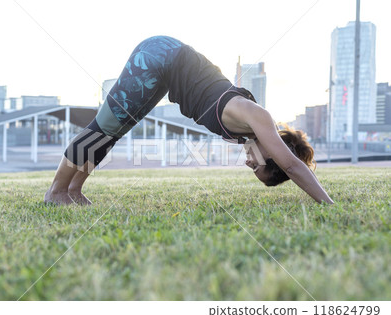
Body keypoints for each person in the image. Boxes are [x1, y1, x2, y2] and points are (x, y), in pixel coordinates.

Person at [44, 36, 334, 205]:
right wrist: (328, 204)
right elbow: (293, 165)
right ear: (275, 154)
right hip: (160, 56)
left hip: (166, 71)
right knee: (104, 127)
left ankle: (73, 189)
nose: (249, 164)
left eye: (252, 169)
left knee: (112, 131)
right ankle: (56, 191)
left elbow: (288, 162)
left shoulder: (248, 133)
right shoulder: (258, 117)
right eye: (257, 165)